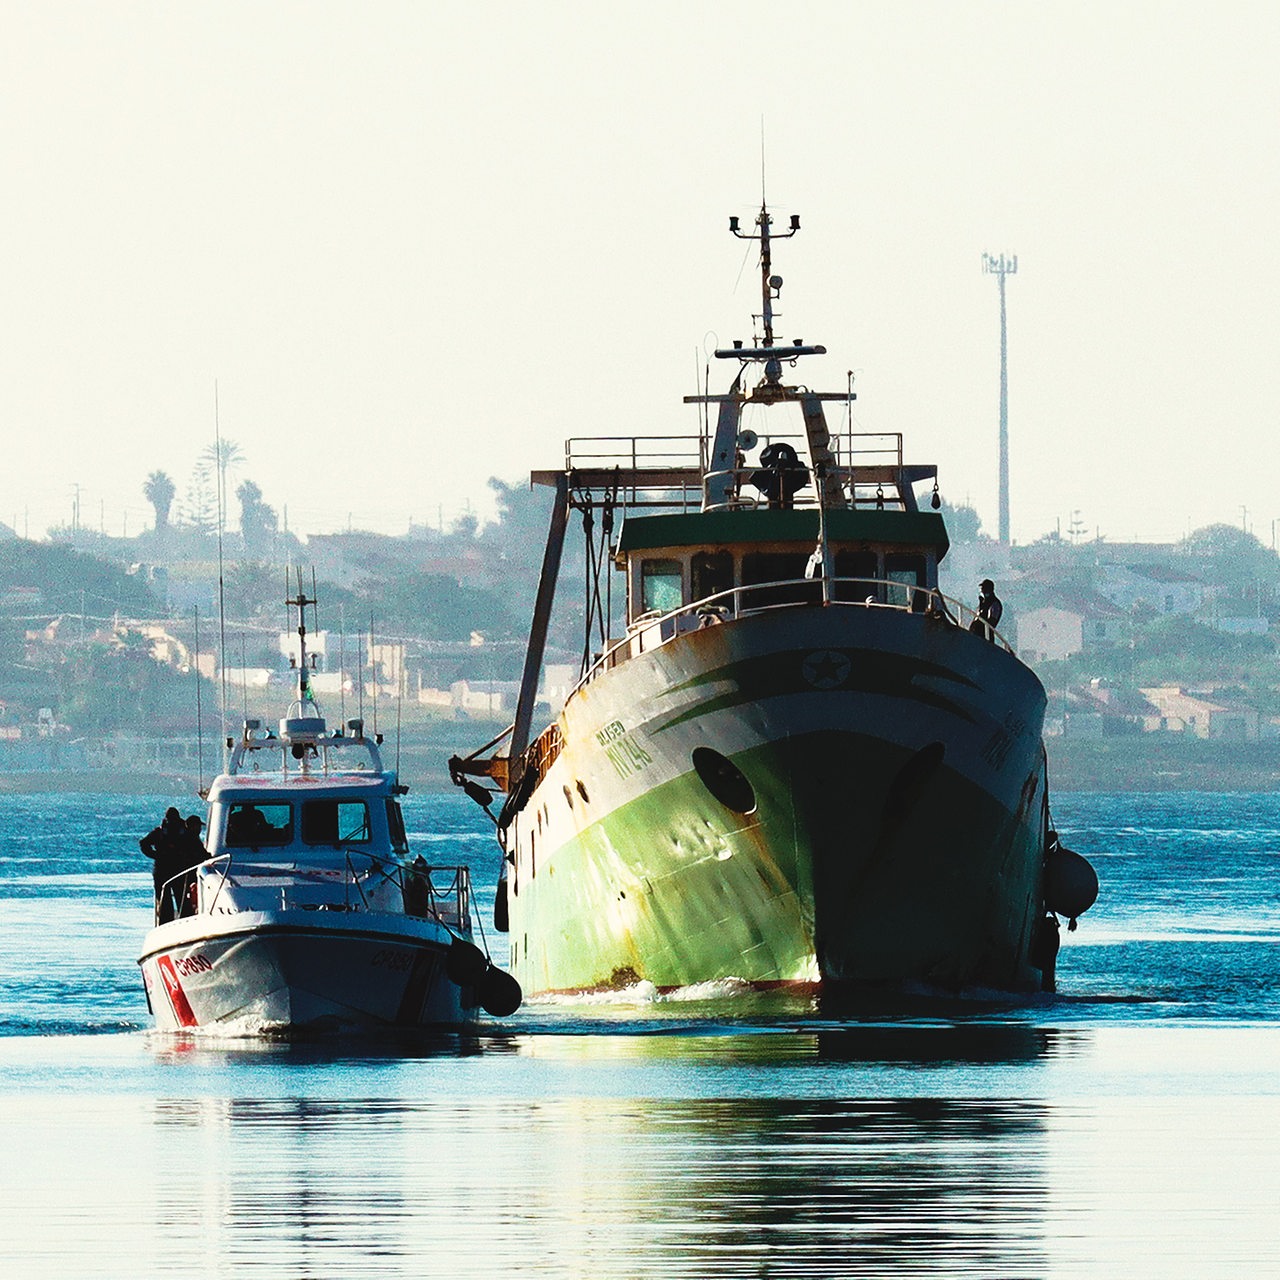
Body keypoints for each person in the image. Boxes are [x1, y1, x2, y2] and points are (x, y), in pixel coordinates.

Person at [140, 807, 185, 922]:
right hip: (164, 868)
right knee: (166, 900)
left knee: (181, 898)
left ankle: (181, 920)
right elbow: (144, 843)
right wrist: (156, 855)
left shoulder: (182, 831)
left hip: (176, 868)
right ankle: (166, 921)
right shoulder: (160, 832)